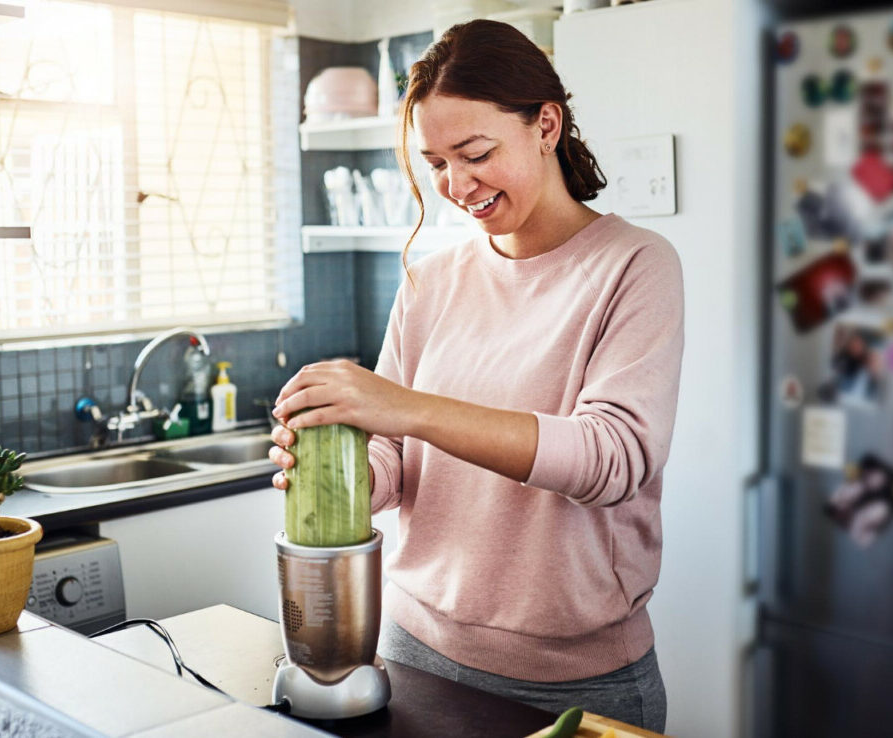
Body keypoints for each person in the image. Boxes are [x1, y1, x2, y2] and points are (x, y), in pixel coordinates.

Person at [269, 19, 683, 732]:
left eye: (476, 153)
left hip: (575, 685)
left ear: (545, 125)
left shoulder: (634, 266)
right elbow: (394, 458)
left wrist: (409, 409)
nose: (457, 186)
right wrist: (342, 479)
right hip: (407, 651)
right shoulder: (431, 280)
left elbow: (612, 459)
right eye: (435, 162)